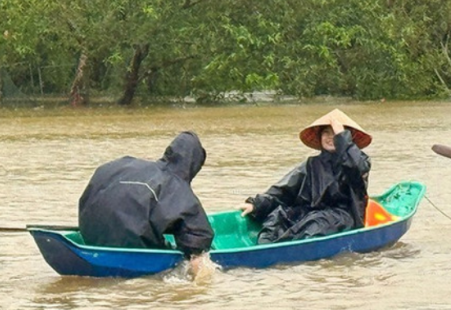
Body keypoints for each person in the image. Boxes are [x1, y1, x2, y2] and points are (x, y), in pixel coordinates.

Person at [78, 131, 214, 273]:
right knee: (198, 257)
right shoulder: (176, 187)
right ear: (194, 164)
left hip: (90, 236)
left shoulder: (122, 165)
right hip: (132, 246)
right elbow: (199, 237)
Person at [240, 109, 372, 243]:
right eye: (326, 133)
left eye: (335, 134)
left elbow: (356, 168)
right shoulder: (311, 164)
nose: (330, 137)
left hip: (344, 216)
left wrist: (342, 137)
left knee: (316, 223)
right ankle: (264, 249)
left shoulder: (360, 162)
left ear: (345, 138)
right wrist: (257, 205)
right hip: (310, 213)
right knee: (278, 216)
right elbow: (283, 191)